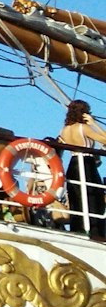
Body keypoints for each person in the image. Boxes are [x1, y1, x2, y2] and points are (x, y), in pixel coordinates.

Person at [57, 99, 106, 241]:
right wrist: (94, 124)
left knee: (76, 197)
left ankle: (78, 228)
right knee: (93, 196)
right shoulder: (83, 128)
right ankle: (95, 230)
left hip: (73, 164)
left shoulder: (64, 130)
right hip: (87, 163)